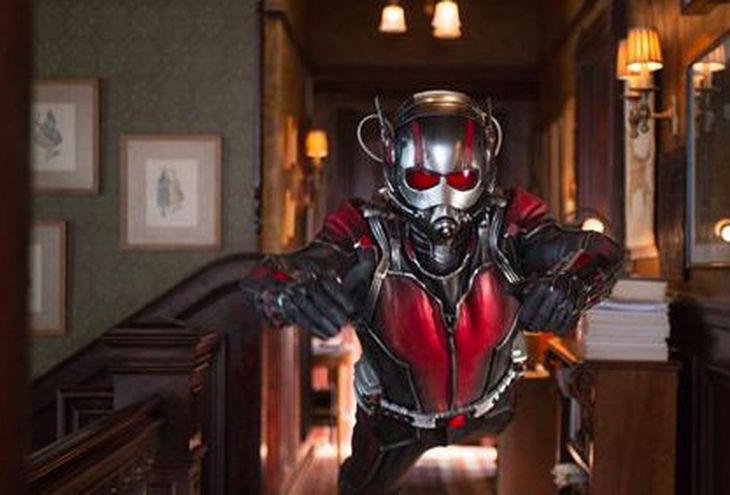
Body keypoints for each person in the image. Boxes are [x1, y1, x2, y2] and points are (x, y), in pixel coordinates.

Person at [244, 90, 625, 494]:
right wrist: (287, 291)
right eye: (424, 178)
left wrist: (573, 284)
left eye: (461, 178)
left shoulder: (510, 223)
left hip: (495, 405)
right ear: (395, 167)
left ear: (484, 169)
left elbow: (601, 250)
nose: (443, 198)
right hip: (395, 421)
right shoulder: (364, 230)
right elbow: (276, 270)